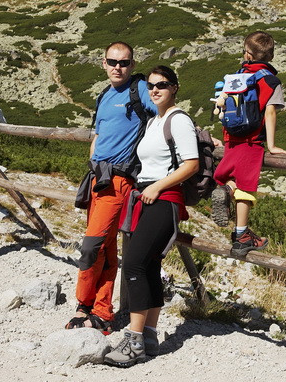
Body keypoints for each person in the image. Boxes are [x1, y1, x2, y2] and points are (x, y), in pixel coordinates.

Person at [104, 65, 199, 367]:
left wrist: (158, 186)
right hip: (146, 198)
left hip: (164, 199)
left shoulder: (178, 120)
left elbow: (192, 163)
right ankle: (148, 337)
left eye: (163, 85)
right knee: (150, 264)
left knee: (133, 264)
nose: (155, 90)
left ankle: (133, 342)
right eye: (151, 85)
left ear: (175, 88)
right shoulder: (155, 121)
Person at [65, 41, 157, 333]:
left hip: (119, 181)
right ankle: (99, 311)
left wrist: (195, 134)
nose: (118, 67)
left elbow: (164, 109)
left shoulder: (139, 89)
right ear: (103, 63)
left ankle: (85, 305)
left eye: (124, 62)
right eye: (113, 62)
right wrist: (92, 159)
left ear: (133, 65)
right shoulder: (104, 94)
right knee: (103, 247)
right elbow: (100, 133)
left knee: (91, 246)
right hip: (96, 178)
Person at [211, 31, 286, 257]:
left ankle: (227, 192)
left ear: (247, 53)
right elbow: (271, 112)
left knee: (235, 178)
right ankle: (242, 236)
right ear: (271, 55)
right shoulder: (270, 80)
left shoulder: (238, 74)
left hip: (231, 138)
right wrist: (272, 146)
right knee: (246, 187)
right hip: (252, 139)